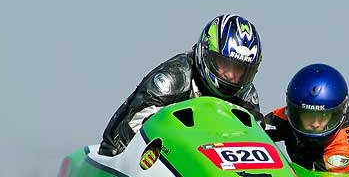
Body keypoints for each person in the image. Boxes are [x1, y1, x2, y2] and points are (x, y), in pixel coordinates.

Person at [99, 14, 263, 156]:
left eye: (241, 70)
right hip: (125, 164)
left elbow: (257, 137)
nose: (231, 76)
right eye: (226, 65)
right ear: (205, 53)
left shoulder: (245, 94)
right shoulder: (173, 78)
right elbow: (128, 129)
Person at [262, 63, 349, 173]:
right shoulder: (287, 117)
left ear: (337, 114)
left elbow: (309, 175)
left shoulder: (345, 148)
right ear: (294, 112)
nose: (316, 124)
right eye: (308, 115)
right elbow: (255, 128)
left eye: (323, 116)